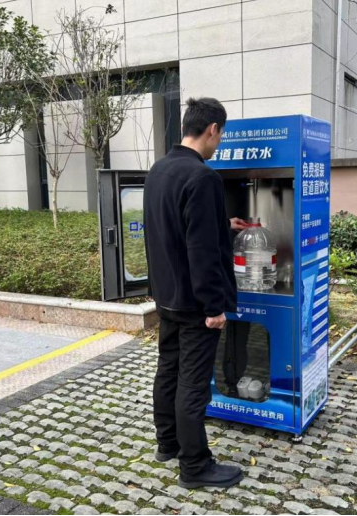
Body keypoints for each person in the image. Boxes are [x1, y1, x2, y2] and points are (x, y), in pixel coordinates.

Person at [144, 97, 249, 489]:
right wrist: (214, 306)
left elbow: (173, 226)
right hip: (195, 305)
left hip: (167, 297)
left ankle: (167, 443)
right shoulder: (203, 177)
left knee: (168, 371)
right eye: (220, 136)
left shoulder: (160, 169)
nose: (219, 144)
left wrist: (222, 223)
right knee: (193, 385)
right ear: (212, 129)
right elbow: (201, 250)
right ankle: (195, 466)